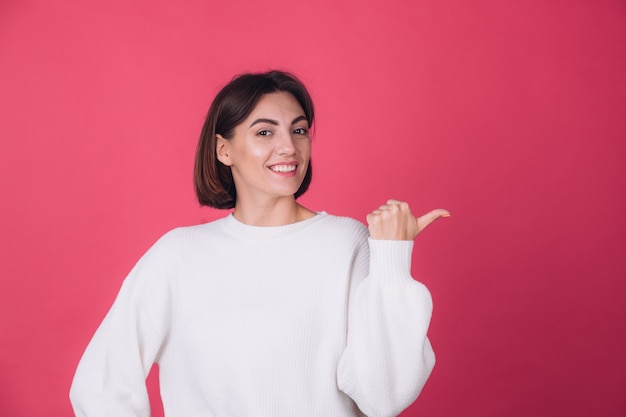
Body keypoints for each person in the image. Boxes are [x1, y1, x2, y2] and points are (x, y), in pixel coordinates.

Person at [69, 70, 449, 417]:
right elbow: (102, 383)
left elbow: (384, 397)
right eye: (265, 132)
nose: (288, 147)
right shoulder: (178, 255)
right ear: (224, 150)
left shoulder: (348, 243)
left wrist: (392, 261)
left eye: (298, 131)